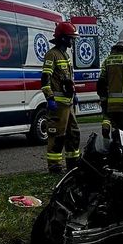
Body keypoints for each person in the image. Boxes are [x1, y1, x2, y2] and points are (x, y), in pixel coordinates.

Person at [41, 21, 81, 174]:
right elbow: (45, 78)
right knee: (57, 135)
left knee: (74, 133)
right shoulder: (52, 54)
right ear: (64, 38)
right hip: (57, 105)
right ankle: (55, 166)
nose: (73, 41)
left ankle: (73, 162)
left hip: (68, 104)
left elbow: (68, 78)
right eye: (71, 38)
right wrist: (49, 97)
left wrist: (74, 94)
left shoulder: (65, 55)